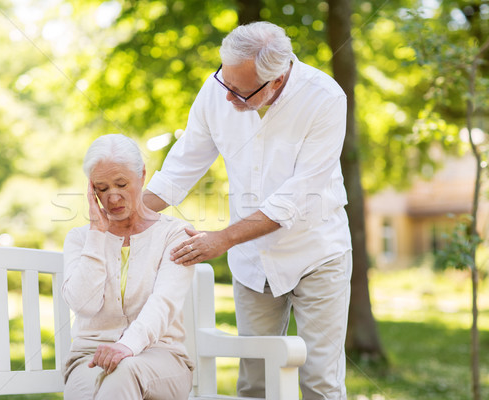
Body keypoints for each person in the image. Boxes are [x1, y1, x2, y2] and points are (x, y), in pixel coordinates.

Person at [143, 21, 352, 400]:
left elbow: (297, 195)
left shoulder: (325, 98)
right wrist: (129, 214)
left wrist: (221, 239)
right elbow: (182, 166)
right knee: (256, 383)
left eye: (239, 90)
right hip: (252, 261)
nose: (227, 96)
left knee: (319, 380)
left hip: (317, 253)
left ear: (276, 80)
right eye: (224, 81)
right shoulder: (217, 89)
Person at [62, 134, 195, 400]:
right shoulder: (80, 238)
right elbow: (83, 305)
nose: (112, 197)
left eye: (121, 184)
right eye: (101, 188)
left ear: (142, 175)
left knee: (124, 371)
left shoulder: (175, 234)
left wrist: (125, 346)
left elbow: (163, 303)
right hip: (89, 356)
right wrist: (97, 233)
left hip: (161, 357)